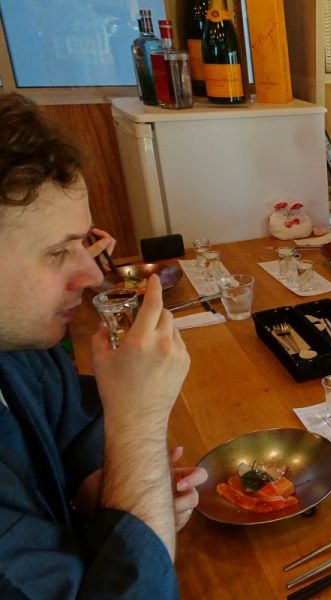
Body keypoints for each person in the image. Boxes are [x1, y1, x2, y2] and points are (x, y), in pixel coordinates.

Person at [0, 92, 206, 596]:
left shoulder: (21, 345)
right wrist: (138, 422)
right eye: (56, 253)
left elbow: (70, 427)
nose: (93, 275)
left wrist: (114, 491)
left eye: (84, 245)